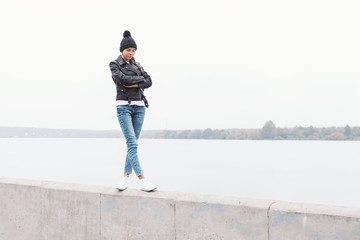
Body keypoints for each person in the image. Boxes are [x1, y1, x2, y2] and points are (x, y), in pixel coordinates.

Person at [109, 30, 157, 192]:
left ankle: (125, 178)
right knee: (132, 143)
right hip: (124, 106)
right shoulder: (114, 64)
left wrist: (134, 83)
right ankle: (142, 180)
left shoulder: (137, 65)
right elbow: (122, 80)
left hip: (140, 107)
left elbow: (149, 81)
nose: (131, 53)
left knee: (133, 145)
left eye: (133, 50)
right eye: (128, 50)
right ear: (122, 50)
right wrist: (140, 81)